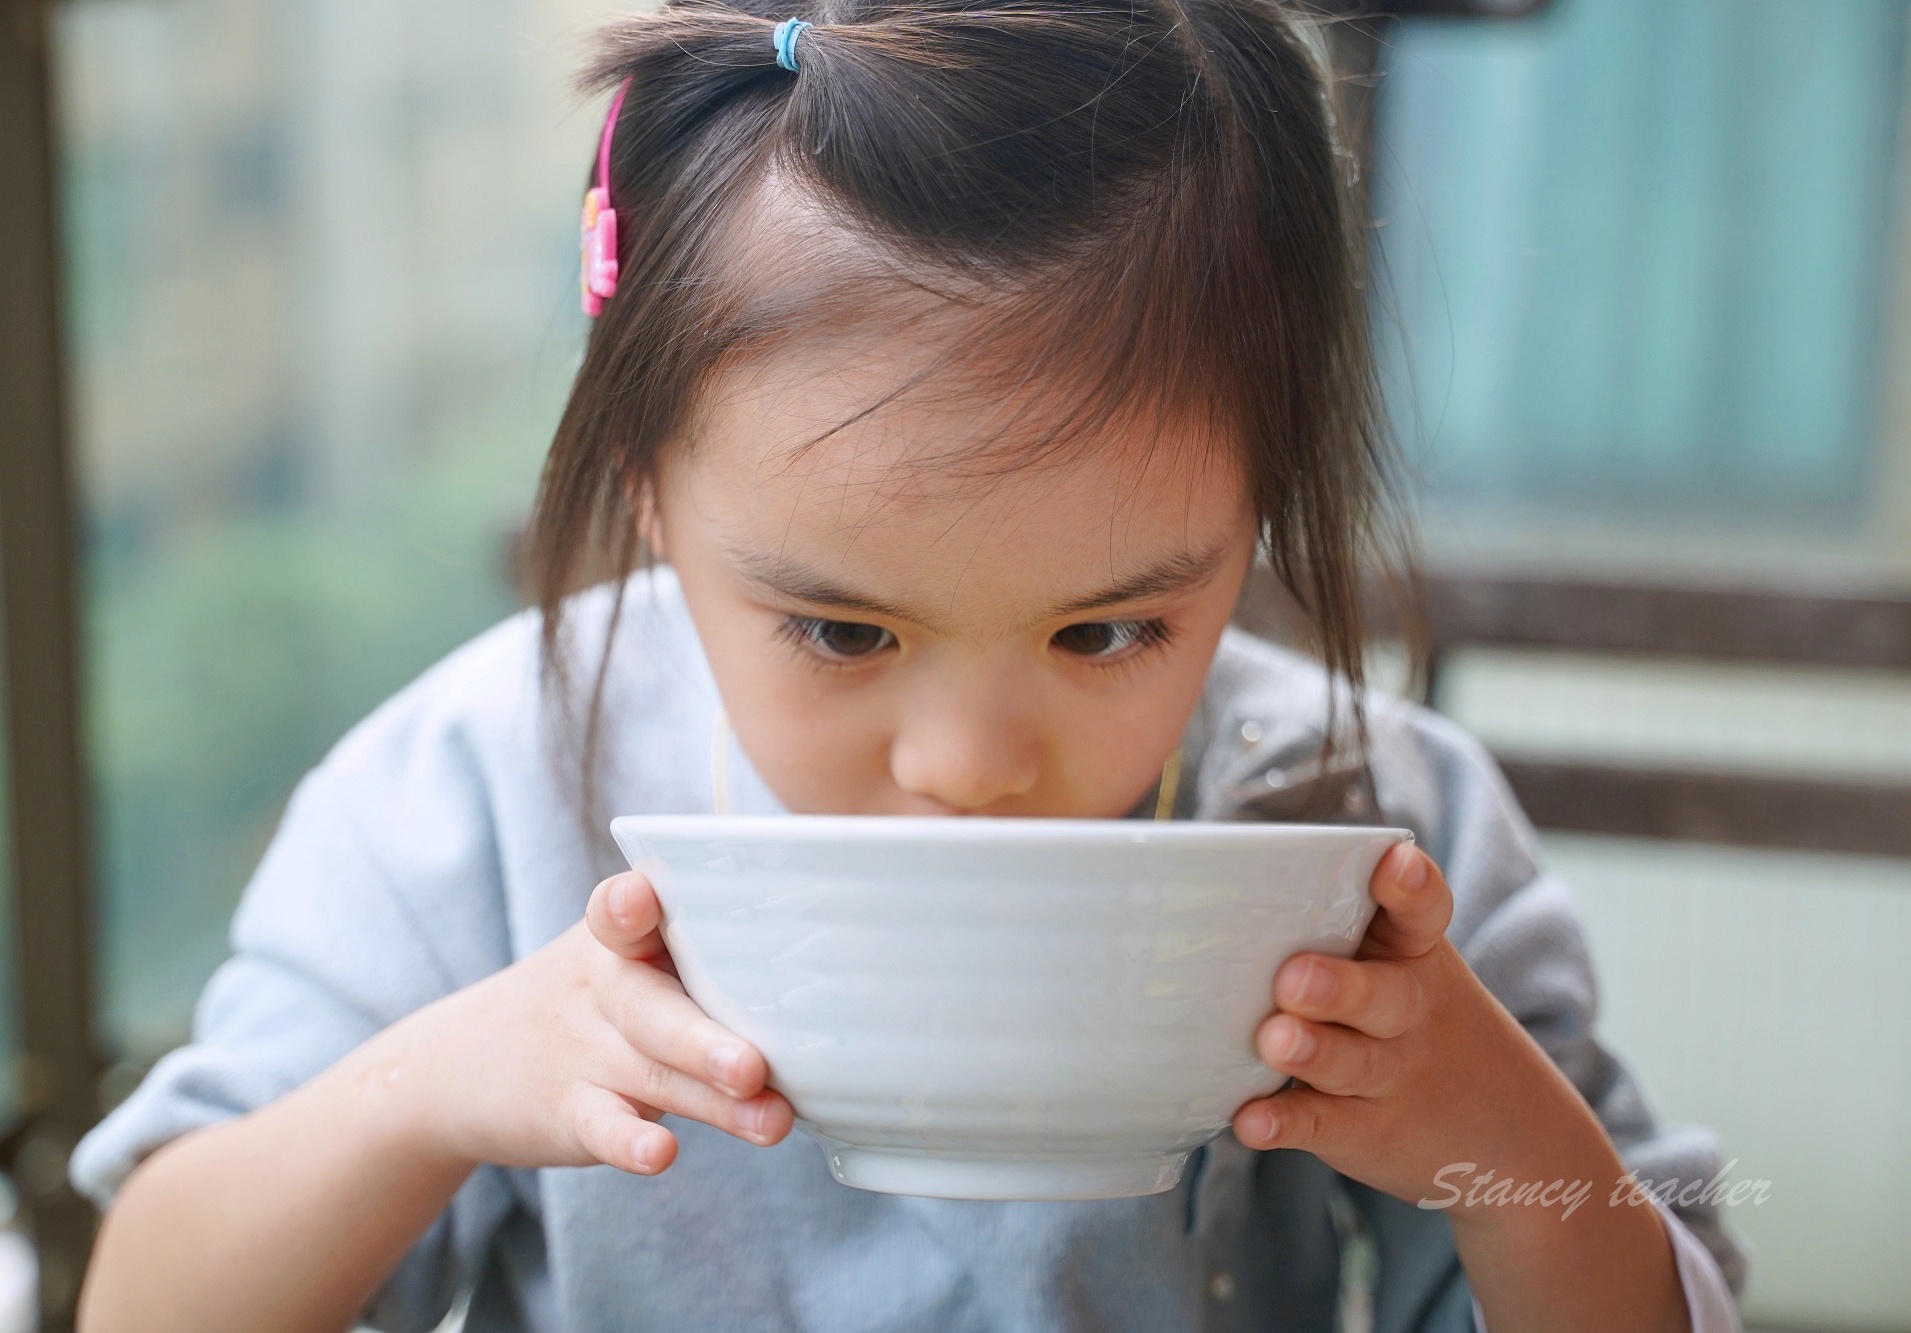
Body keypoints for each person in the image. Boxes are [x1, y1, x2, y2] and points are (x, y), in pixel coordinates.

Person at [69, 0, 1746, 1328]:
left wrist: (1497, 1131)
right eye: (841, 630)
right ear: (649, 483)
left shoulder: (1374, 830)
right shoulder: (480, 795)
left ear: (1256, 514)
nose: (969, 760)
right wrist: (424, 1089)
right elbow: (144, 1302)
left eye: (1108, 629)